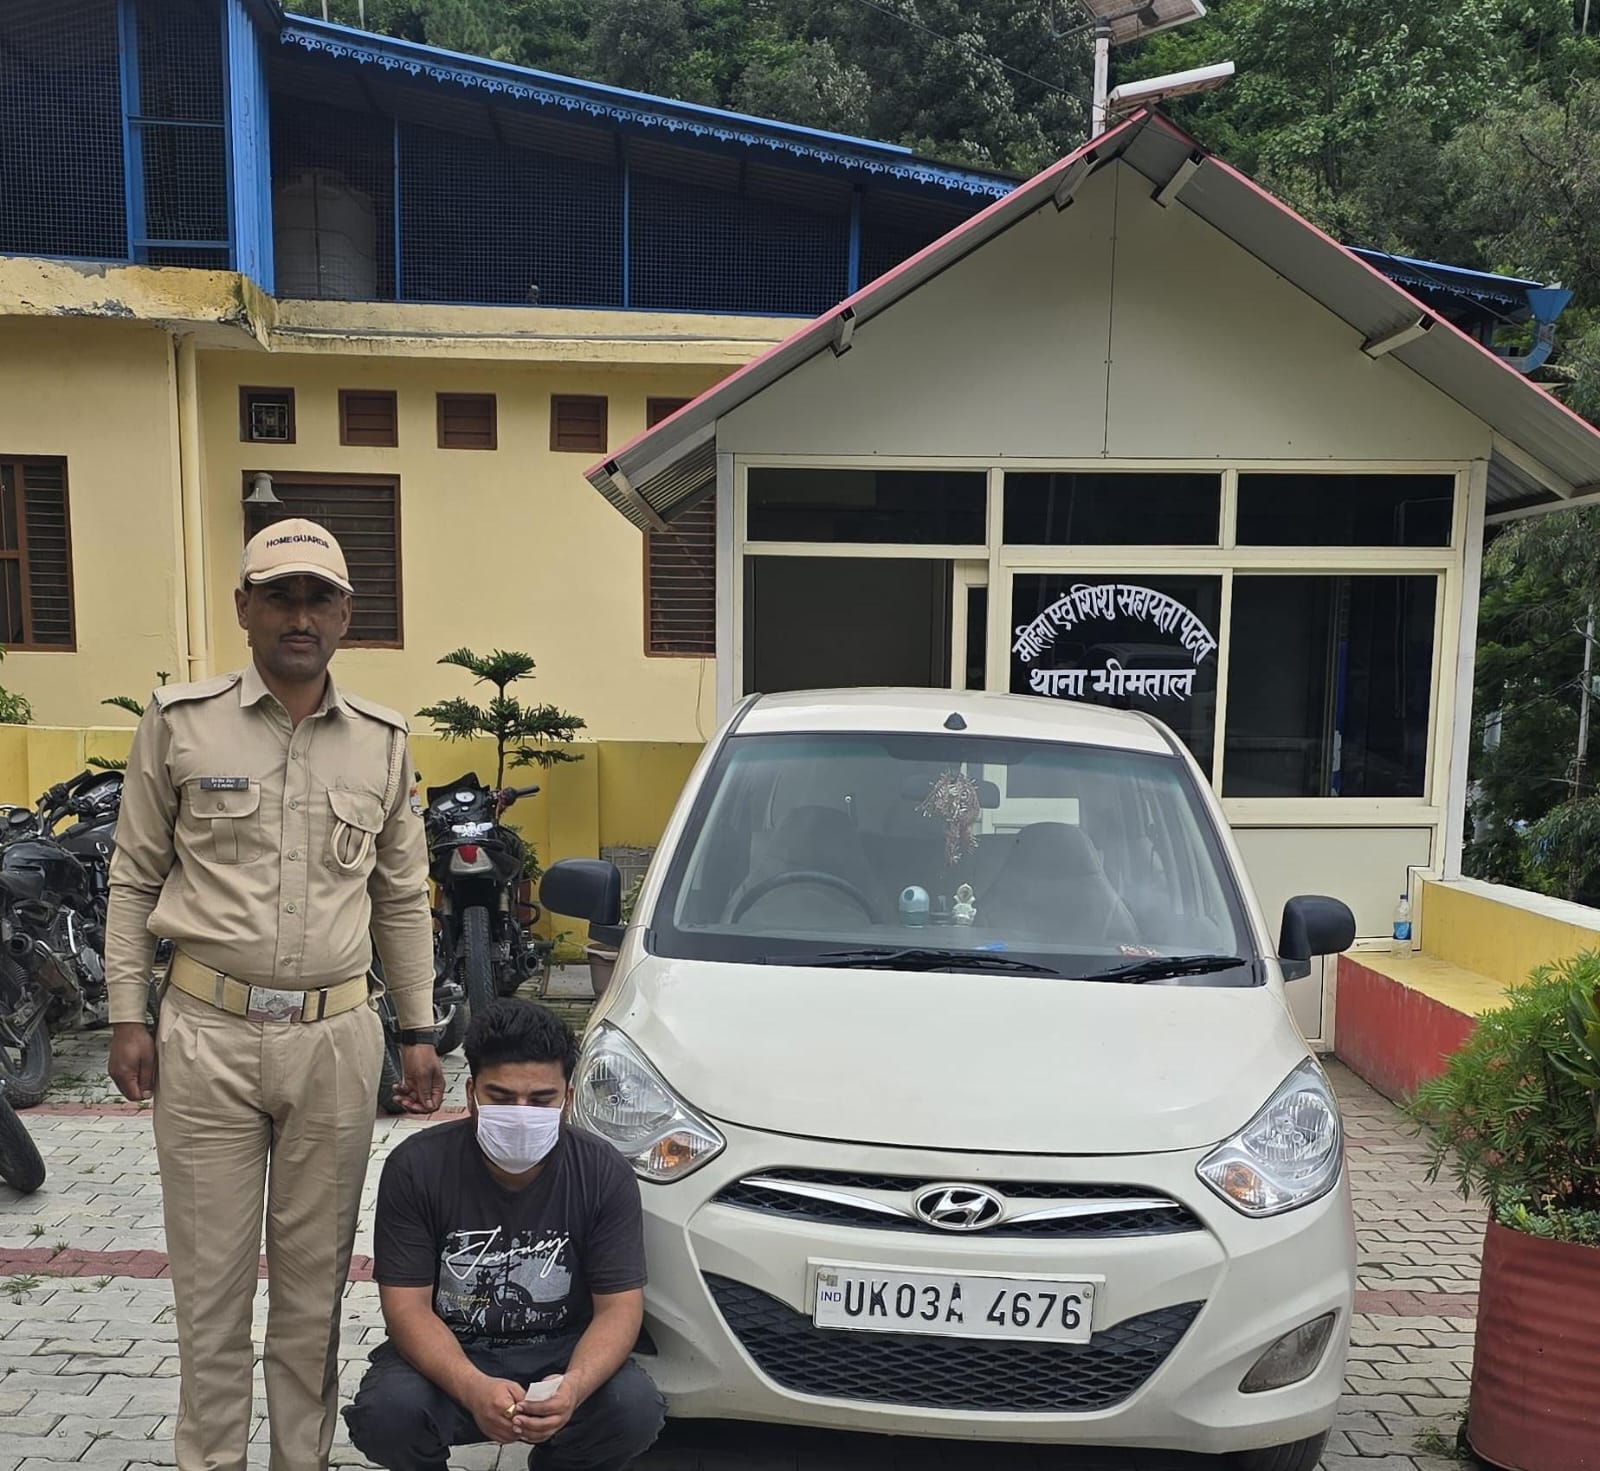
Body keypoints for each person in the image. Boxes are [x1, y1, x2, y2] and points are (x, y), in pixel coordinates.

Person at [104, 517, 445, 1471]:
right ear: (244, 608)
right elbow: (133, 877)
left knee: (312, 1292)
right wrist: (127, 1014)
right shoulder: (180, 722)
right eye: (281, 596)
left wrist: (419, 1028)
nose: (301, 616)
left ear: (346, 615)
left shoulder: (382, 741)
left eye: (318, 598)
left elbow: (400, 895)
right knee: (210, 1292)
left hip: (336, 1039)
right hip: (204, 1034)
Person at [344, 999, 665, 1471]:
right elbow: (406, 1309)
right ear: (471, 1093)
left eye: (540, 1100)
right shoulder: (416, 1167)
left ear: (567, 1098)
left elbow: (620, 1309)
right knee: (387, 1413)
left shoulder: (603, 1172)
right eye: (501, 1097)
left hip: (561, 1352)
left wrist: (574, 1388)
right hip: (450, 1348)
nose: (520, 1114)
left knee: (634, 1409)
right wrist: (472, 1387)